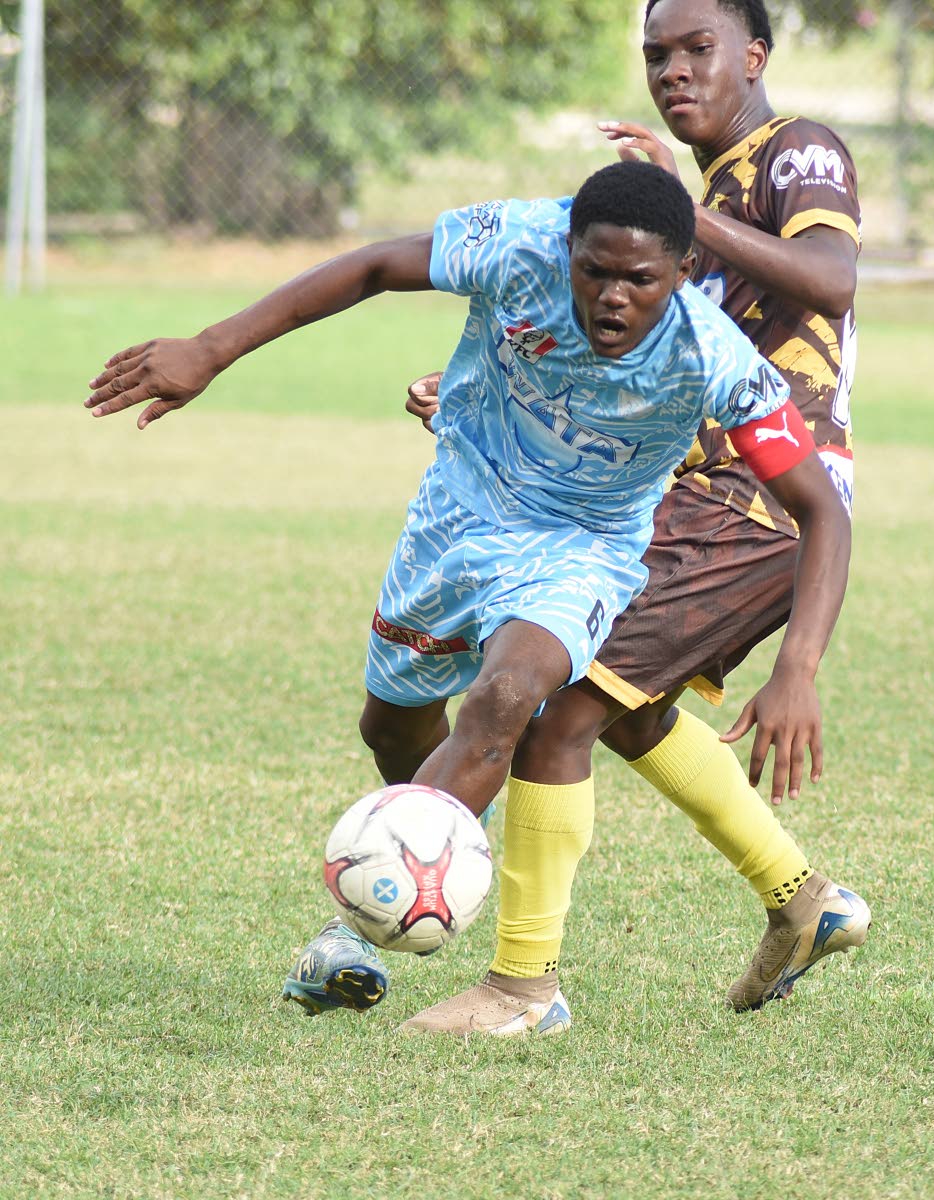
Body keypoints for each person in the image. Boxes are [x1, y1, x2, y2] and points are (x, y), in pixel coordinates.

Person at [84, 159, 848, 1030]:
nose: (611, 297)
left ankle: (369, 941)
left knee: (510, 700)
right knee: (393, 728)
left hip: (583, 550)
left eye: (640, 280)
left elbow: (822, 511)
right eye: (593, 270)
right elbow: (375, 266)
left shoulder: (710, 354)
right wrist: (212, 347)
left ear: (681, 274)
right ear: (566, 249)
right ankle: (442, 887)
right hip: (455, 515)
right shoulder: (515, 242)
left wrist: (800, 667)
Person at [394, 0, 870, 1036]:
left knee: (555, 706)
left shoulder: (799, 153)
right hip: (694, 494)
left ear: (756, 53)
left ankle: (522, 986)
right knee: (629, 708)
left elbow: (830, 280)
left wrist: (802, 668)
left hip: (754, 506)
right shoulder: (714, 182)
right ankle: (803, 900)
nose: (674, 70)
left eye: (699, 49)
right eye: (656, 53)